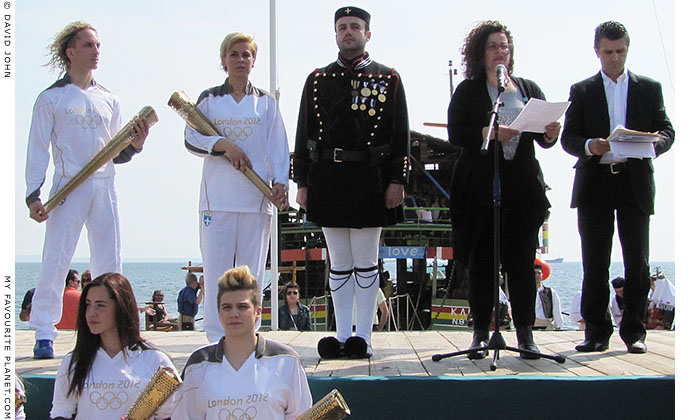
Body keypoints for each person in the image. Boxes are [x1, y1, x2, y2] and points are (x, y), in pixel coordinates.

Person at [25, 21, 150, 359]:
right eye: (89, 45)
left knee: (110, 258)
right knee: (56, 257)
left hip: (104, 184)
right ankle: (43, 331)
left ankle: (117, 327)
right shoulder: (51, 98)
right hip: (69, 184)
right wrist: (33, 195)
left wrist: (136, 145)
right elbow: (37, 149)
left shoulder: (109, 99)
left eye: (98, 46)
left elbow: (117, 152)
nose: (96, 52)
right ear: (70, 52)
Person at [293, 6, 410, 359]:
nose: (348, 32)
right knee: (339, 261)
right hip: (327, 178)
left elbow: (400, 133)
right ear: (335, 33)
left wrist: (397, 180)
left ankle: (365, 336)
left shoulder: (388, 78)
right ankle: (341, 335)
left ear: (367, 34)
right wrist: (301, 182)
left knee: (366, 260)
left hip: (370, 179)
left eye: (355, 27)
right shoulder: (316, 80)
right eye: (342, 27)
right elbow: (303, 134)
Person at [447, 20, 561, 359]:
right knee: (481, 262)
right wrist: (488, 131)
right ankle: (480, 332)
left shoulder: (527, 87)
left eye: (505, 47)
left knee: (522, 263)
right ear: (481, 53)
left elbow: (542, 136)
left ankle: (525, 333)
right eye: (494, 47)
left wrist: (551, 132)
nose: (501, 52)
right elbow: (456, 132)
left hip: (521, 188)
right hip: (481, 187)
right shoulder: (469, 90)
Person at [561, 21, 674, 354]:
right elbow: (569, 138)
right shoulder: (582, 90)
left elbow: (667, 129)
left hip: (634, 179)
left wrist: (655, 144)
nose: (614, 58)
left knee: (636, 260)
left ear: (627, 49)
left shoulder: (648, 88)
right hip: (596, 179)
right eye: (608, 52)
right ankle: (596, 331)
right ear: (597, 51)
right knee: (594, 260)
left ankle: (635, 332)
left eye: (620, 51)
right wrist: (589, 145)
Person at [184, 32, 290, 343]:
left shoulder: (266, 103)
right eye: (234, 54)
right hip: (216, 201)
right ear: (224, 60)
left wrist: (281, 181)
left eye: (246, 55)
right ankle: (216, 338)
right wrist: (222, 144)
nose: (240, 60)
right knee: (217, 270)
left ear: (253, 61)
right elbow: (191, 137)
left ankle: (248, 335)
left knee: (250, 274)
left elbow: (278, 147)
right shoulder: (209, 99)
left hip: (256, 200)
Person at [172, 266, 312, 419]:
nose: (234, 314)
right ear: (219, 313)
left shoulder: (286, 362)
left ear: (258, 312)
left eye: (242, 306)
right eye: (226, 307)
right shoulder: (198, 365)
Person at [50, 273, 177, 419]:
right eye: (88, 304)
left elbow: (170, 414)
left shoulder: (155, 360)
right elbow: (61, 412)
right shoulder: (74, 362)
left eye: (100, 305)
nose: (91, 313)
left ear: (121, 308)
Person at [534, 264, 563, 330]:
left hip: (546, 326)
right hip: (530, 326)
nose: (537, 275)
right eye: (534, 273)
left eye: (539, 273)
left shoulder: (550, 292)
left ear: (542, 276)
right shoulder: (526, 293)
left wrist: (558, 326)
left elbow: (556, 309)